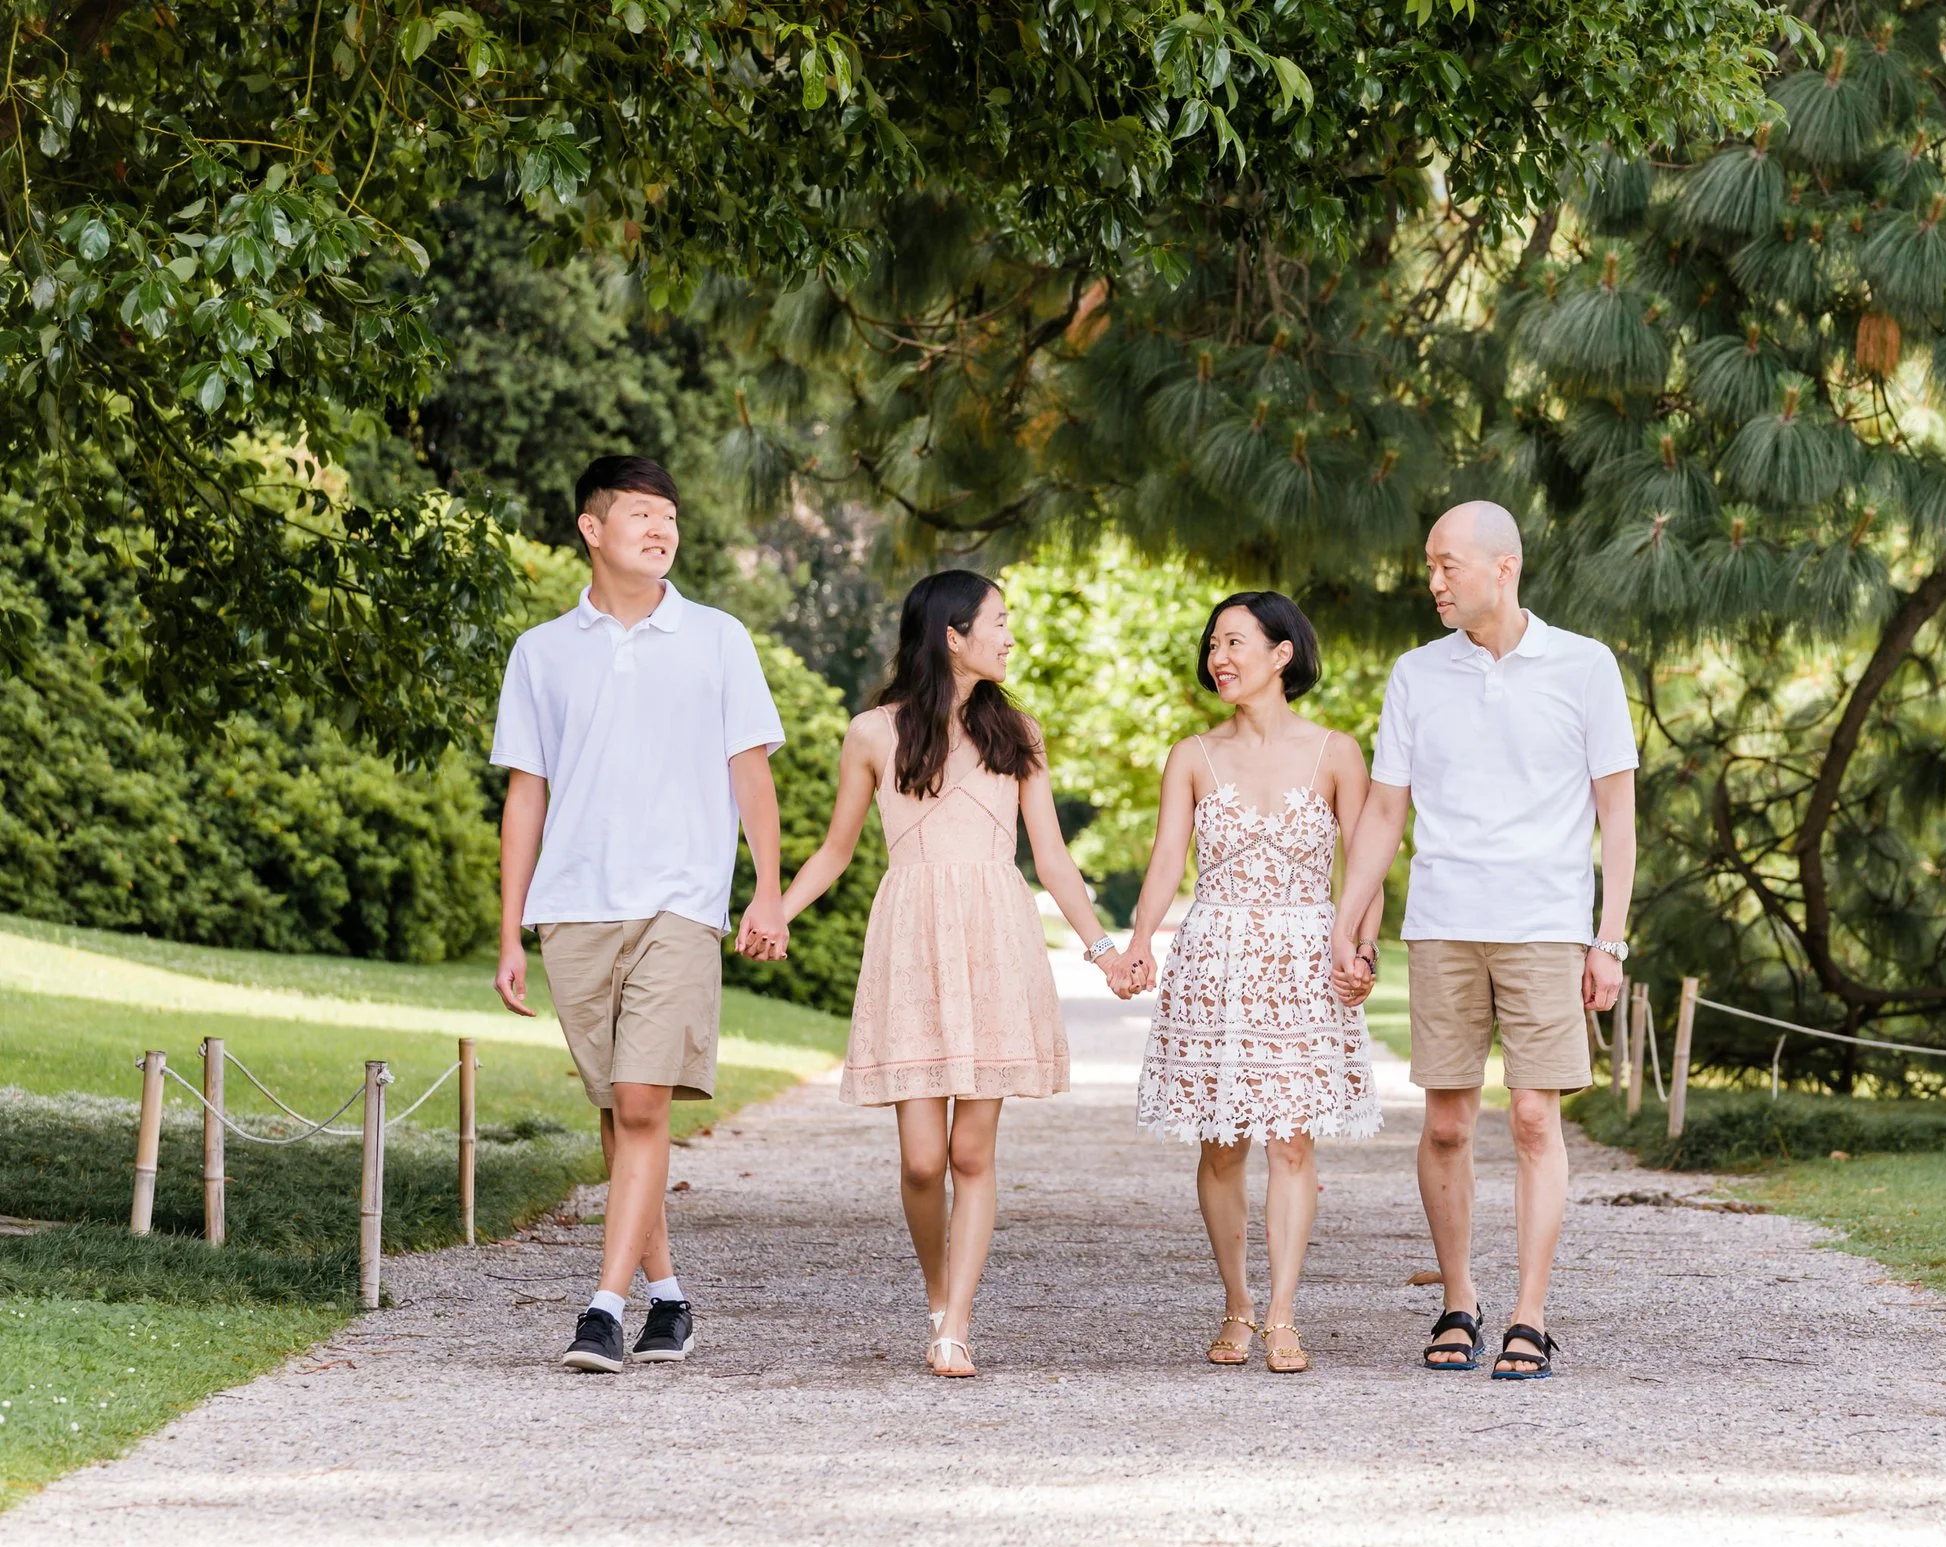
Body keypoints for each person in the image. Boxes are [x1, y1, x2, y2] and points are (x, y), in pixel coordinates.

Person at [769, 569, 1134, 1379]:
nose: (1009, 635)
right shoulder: (871, 732)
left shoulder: (1019, 733)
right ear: (952, 635)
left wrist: (1104, 949)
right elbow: (836, 848)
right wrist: (778, 910)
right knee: (922, 1160)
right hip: (912, 938)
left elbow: (1055, 861)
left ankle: (955, 1322)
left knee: (973, 1150)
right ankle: (939, 1292)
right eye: (998, 621)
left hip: (995, 936)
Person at [491, 455, 789, 1374]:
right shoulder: (542, 650)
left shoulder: (718, 638)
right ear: (592, 528)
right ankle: (670, 1298)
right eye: (641, 517)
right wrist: (510, 928)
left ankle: (602, 1310)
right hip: (574, 906)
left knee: (644, 1100)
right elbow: (526, 793)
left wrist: (767, 888)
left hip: (679, 901)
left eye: (670, 518)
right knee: (621, 1116)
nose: (661, 532)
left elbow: (751, 771)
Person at [1330, 502, 1638, 1383]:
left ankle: (1529, 1315)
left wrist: (1608, 936)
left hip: (1546, 923)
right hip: (1443, 920)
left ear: (1503, 566)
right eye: (1429, 565)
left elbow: (1616, 813)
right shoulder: (1416, 674)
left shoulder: (1585, 666)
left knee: (1536, 1117)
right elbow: (1386, 810)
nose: (1432, 581)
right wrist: (1348, 921)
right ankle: (1458, 1300)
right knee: (1449, 1122)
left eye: (1446, 565)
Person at [1124, 592, 1381, 1374]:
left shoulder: (1337, 752)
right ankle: (1236, 1302)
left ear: (1282, 652)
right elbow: (1168, 859)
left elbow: (1366, 865)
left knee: (1293, 1142)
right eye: (1212, 644)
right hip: (1216, 961)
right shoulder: (1192, 755)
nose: (1219, 657)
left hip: (1307, 959)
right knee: (1223, 1143)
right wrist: (1139, 943)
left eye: (1235, 641)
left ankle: (1281, 1315)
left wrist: (1362, 952)